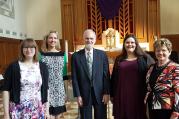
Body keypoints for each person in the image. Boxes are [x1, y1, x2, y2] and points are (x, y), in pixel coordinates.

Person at [2, 38, 49, 119]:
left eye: (31, 47)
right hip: (18, 109)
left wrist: (47, 110)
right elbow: (6, 90)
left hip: (37, 108)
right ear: (22, 50)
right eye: (25, 47)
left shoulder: (43, 67)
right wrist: (6, 114)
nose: (28, 50)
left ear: (35, 49)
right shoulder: (13, 67)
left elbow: (46, 89)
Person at [110, 34, 154, 119]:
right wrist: (112, 94)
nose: (130, 44)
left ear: (136, 44)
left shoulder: (144, 58)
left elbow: (153, 73)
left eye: (132, 42)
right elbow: (114, 77)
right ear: (124, 44)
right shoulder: (119, 59)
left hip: (138, 93)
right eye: (127, 42)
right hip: (121, 93)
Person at [71, 29, 110, 119]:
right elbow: (75, 78)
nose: (89, 40)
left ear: (95, 39)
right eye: (87, 38)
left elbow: (106, 76)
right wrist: (78, 95)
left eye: (91, 38)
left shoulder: (102, 55)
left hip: (100, 93)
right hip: (84, 94)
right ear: (83, 39)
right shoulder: (76, 56)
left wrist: (106, 92)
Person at [144, 38, 179, 119]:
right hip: (151, 106)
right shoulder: (151, 67)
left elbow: (178, 91)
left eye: (164, 50)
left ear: (169, 52)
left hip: (167, 108)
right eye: (158, 50)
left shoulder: (175, 67)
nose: (160, 53)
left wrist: (176, 110)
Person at [40, 31, 67, 119]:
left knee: (58, 116)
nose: (53, 40)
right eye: (50, 38)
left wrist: (65, 92)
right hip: (47, 88)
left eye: (55, 38)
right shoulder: (42, 55)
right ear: (47, 40)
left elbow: (64, 75)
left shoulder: (63, 55)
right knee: (49, 115)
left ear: (57, 40)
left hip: (59, 89)